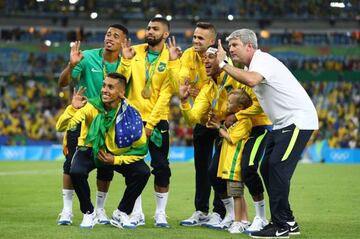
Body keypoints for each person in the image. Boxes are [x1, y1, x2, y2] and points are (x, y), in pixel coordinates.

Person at [217, 29, 319, 238]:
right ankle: (288, 220)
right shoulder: (253, 64)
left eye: (235, 45)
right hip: (283, 123)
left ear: (250, 46)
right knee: (266, 166)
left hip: (297, 120)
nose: (231, 49)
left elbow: (252, 80)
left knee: (277, 167)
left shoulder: (262, 61)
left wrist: (223, 64)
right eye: (230, 46)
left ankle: (280, 226)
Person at [56, 72, 150, 229]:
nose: (105, 90)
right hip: (90, 149)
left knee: (143, 172)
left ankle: (121, 212)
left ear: (121, 93)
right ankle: (88, 213)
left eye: (110, 87)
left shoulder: (131, 114)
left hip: (114, 154)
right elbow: (61, 127)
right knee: (76, 171)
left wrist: (115, 160)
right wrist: (72, 109)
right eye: (104, 85)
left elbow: (140, 150)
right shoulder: (92, 106)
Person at [57, 24, 129, 225]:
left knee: (105, 166)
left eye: (116, 36)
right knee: (71, 163)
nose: (110, 38)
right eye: (108, 34)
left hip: (109, 123)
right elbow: (62, 83)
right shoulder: (87, 57)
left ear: (123, 42)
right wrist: (71, 66)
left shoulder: (126, 63)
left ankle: (99, 210)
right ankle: (67, 210)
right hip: (83, 119)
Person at [168, 22, 226, 227]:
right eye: (194, 37)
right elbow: (181, 85)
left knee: (219, 168)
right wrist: (175, 63)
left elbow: (220, 84)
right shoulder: (188, 56)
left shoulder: (221, 58)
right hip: (201, 118)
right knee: (201, 168)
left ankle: (220, 212)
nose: (195, 41)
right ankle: (201, 210)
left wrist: (198, 90)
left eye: (200, 38)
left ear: (212, 41)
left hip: (221, 120)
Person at [118, 17, 173, 227]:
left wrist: (150, 125)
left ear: (165, 34)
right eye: (148, 28)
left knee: (161, 168)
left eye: (155, 29)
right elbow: (121, 82)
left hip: (157, 122)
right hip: (132, 120)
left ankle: (160, 213)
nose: (149, 31)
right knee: (134, 168)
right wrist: (124, 61)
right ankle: (136, 212)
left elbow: (166, 95)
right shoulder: (134, 51)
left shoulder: (171, 58)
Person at [206, 88, 253, 234]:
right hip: (230, 163)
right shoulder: (237, 121)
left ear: (239, 108)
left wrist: (218, 127)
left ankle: (237, 222)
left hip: (235, 163)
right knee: (238, 193)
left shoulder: (244, 122)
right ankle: (244, 220)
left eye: (230, 102)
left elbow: (230, 138)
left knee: (236, 194)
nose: (227, 104)